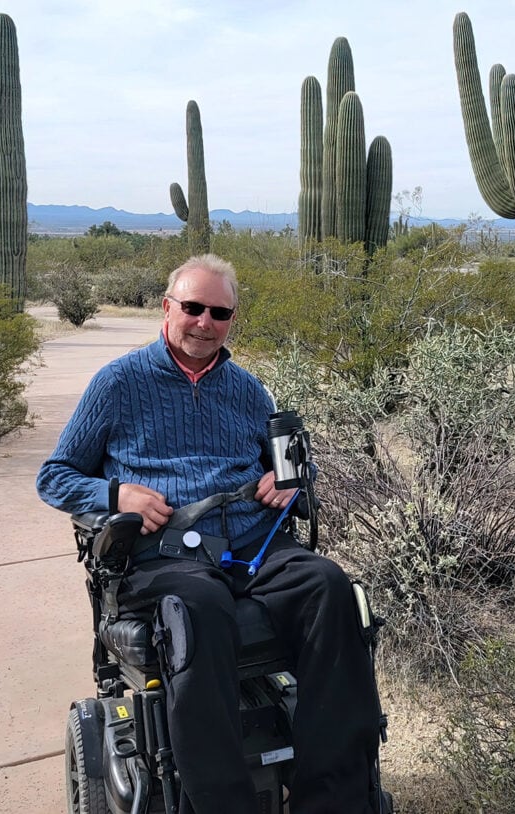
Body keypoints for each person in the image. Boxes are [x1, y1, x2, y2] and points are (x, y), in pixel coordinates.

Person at [37, 254, 383, 814]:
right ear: (167, 308)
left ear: (231, 320)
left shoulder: (250, 391)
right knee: (199, 606)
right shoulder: (117, 384)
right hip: (163, 552)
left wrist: (290, 482)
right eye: (192, 308)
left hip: (255, 543)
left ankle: (332, 800)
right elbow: (54, 477)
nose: (204, 323)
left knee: (329, 586)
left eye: (218, 313)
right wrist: (114, 495)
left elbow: (297, 468)